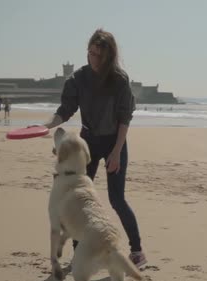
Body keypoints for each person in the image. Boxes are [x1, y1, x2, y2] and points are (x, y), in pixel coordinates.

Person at [40, 28, 146, 268]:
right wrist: (46, 125)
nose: (94, 59)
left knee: (116, 199)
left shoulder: (119, 79)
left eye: (100, 55)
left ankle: (137, 251)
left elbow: (124, 118)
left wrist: (117, 151)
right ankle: (78, 254)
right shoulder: (78, 79)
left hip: (113, 141)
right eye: (91, 53)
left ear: (110, 56)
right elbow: (66, 110)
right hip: (88, 140)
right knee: (78, 198)